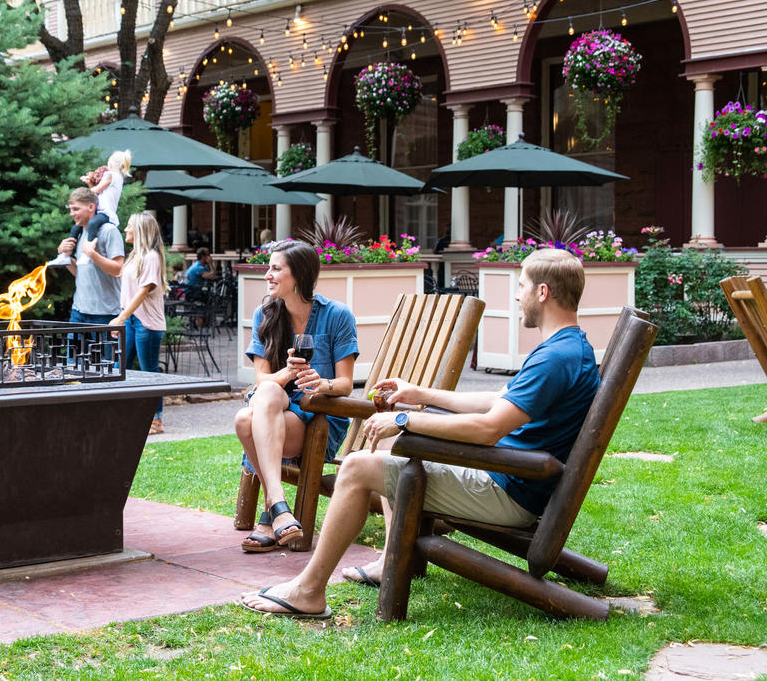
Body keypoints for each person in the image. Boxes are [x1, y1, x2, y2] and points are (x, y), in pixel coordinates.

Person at [241, 248, 599, 618]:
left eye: (521, 286)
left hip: (507, 490)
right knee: (391, 443)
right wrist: (420, 395)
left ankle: (309, 591)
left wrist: (404, 420)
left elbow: (489, 427)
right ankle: (389, 559)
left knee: (357, 467)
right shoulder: (568, 348)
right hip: (511, 477)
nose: (516, 296)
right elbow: (498, 400)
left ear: (543, 292)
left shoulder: (554, 358)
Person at [234, 241, 358, 553]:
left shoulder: (337, 315)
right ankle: (279, 508)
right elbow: (263, 380)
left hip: (318, 420)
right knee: (262, 398)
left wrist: (323, 383)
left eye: (276, 269)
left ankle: (270, 512)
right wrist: (288, 373)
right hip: (274, 411)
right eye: (268, 268)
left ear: (299, 275)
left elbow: (345, 384)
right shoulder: (264, 315)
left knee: (245, 420)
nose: (267, 275)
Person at [109, 211, 169, 435]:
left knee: (149, 372)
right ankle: (123, 415)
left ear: (140, 230)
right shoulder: (134, 256)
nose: (125, 229)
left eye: (129, 226)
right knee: (120, 368)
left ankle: (156, 420)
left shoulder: (151, 257)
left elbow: (143, 291)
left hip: (147, 323)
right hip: (131, 320)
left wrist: (121, 318)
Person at [49, 151, 132, 267]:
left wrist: (82, 195)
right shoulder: (116, 178)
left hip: (105, 213)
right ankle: (64, 255)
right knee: (76, 228)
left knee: (92, 224)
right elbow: (99, 194)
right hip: (100, 211)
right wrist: (90, 184)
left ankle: (88, 254)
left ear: (110, 163)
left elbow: (96, 191)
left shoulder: (111, 175)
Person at [56, 187, 125, 324]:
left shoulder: (109, 231)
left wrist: (92, 254)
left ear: (91, 207)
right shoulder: (81, 233)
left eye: (76, 209)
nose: (71, 214)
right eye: (70, 209)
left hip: (105, 314)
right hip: (78, 311)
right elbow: (80, 273)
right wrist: (66, 257)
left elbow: (119, 270)